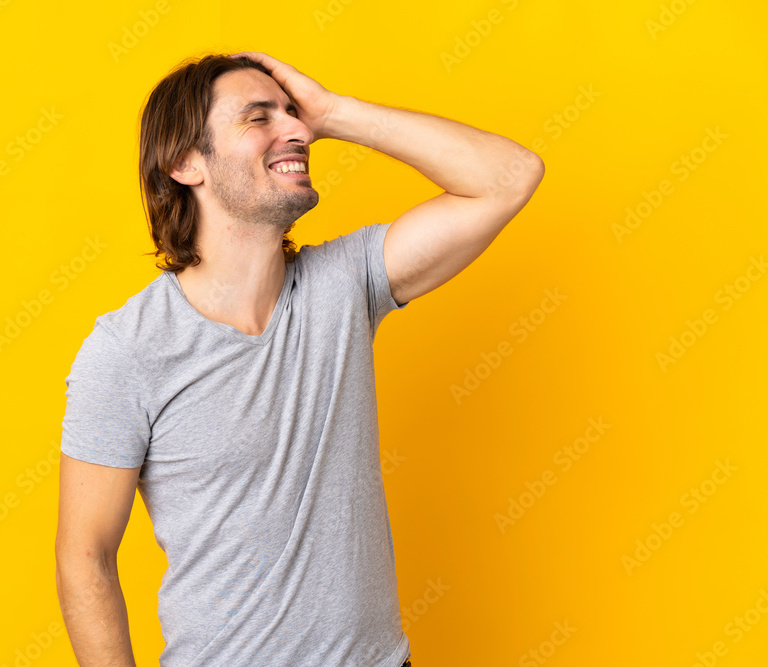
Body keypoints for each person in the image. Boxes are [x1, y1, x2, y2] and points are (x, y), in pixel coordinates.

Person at [54, 50, 544, 666]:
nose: (296, 131)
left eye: (294, 114)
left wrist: (335, 113)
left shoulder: (345, 283)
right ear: (185, 163)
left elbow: (510, 176)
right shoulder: (127, 350)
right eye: (258, 117)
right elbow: (85, 557)